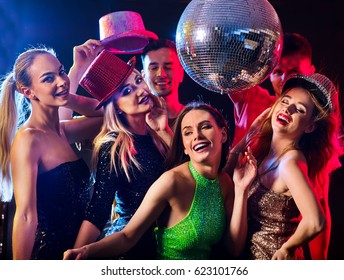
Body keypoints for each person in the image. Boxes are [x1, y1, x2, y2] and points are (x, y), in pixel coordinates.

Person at [63, 101, 257, 260]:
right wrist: (87, 251)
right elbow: (127, 236)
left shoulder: (226, 182)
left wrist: (241, 190)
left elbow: (234, 248)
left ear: (222, 134)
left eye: (205, 127)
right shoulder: (172, 181)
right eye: (188, 132)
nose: (197, 135)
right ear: (185, 148)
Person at [0, 40, 104, 259]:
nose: (61, 81)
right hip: (53, 256)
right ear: (28, 92)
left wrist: (68, 88)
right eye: (48, 78)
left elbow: (106, 116)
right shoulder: (29, 139)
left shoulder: (64, 131)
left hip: (82, 252)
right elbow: (26, 217)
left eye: (61, 72)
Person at [72, 49, 172, 259]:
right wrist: (74, 259)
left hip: (169, 240)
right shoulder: (114, 145)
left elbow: (189, 178)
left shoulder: (157, 131)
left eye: (138, 80)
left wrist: (164, 131)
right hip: (134, 247)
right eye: (127, 91)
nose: (140, 90)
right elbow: (98, 209)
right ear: (116, 108)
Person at [240, 73, 344, 259]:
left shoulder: (291, 163)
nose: (288, 109)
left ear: (310, 127)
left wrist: (287, 248)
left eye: (300, 109)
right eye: (285, 101)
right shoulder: (264, 150)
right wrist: (247, 137)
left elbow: (316, 221)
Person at [141, 38, 185, 127]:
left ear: (181, 73)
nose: (161, 74)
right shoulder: (136, 124)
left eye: (168, 67)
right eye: (154, 68)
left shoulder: (195, 117)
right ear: (143, 76)